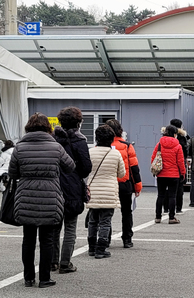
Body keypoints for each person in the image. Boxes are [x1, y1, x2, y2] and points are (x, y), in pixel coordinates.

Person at [9, 113, 75, 288]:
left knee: (28, 240)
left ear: (28, 127)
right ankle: (45, 278)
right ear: (48, 128)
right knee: (47, 239)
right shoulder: (56, 147)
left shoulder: (19, 148)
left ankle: (28, 278)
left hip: (26, 197)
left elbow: (12, 174)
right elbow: (70, 167)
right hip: (50, 197)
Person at [51, 107, 93, 272]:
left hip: (54, 186)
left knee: (54, 227)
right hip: (73, 187)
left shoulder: (52, 139)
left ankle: (52, 261)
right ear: (78, 122)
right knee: (70, 227)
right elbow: (86, 167)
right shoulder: (79, 140)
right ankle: (65, 263)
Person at [86, 125, 126, 259]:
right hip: (109, 191)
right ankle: (101, 249)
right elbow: (122, 174)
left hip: (93, 191)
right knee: (105, 221)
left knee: (93, 221)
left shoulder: (90, 152)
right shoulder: (115, 154)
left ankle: (91, 247)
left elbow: (85, 170)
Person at [105, 119, 142, 249]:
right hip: (124, 183)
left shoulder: (103, 146)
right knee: (126, 212)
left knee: (106, 213)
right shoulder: (127, 146)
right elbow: (134, 169)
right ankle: (127, 239)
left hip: (108, 184)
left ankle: (106, 238)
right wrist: (137, 186)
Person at [151, 125, 185, 224]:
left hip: (161, 174)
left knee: (160, 195)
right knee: (172, 196)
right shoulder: (178, 146)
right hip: (173, 175)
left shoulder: (159, 144)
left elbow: (153, 158)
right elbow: (180, 161)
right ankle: (171, 217)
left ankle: (158, 217)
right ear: (175, 134)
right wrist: (182, 172)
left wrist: (155, 170)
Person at [164, 119, 189, 214]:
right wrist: (183, 171)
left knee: (165, 189)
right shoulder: (182, 139)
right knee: (178, 188)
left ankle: (165, 208)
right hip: (177, 167)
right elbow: (183, 155)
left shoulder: (163, 138)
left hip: (164, 167)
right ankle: (178, 208)